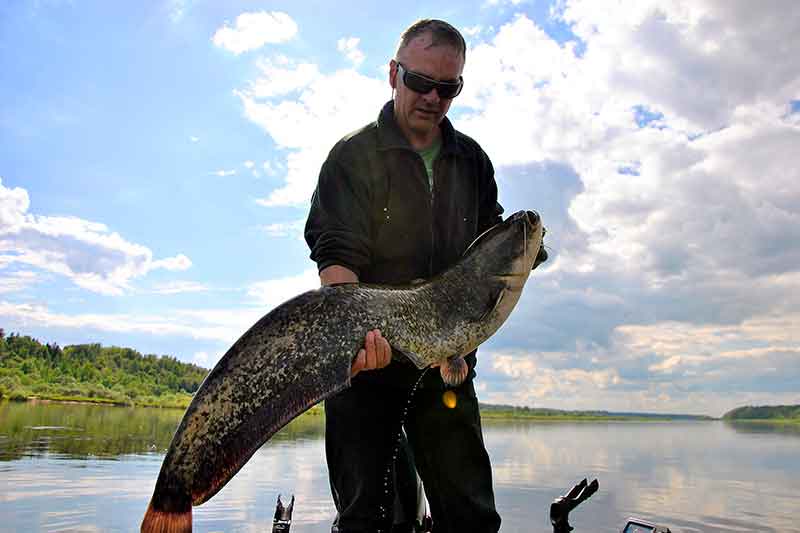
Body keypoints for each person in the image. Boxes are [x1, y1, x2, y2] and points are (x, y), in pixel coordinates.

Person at [305, 19, 506, 533]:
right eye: (420, 82)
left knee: (471, 517)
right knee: (366, 520)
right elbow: (336, 252)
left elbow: (491, 247)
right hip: (364, 371)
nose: (433, 98)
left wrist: (527, 251)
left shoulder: (473, 162)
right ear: (394, 74)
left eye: (448, 87)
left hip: (447, 367)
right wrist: (356, 338)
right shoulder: (353, 157)